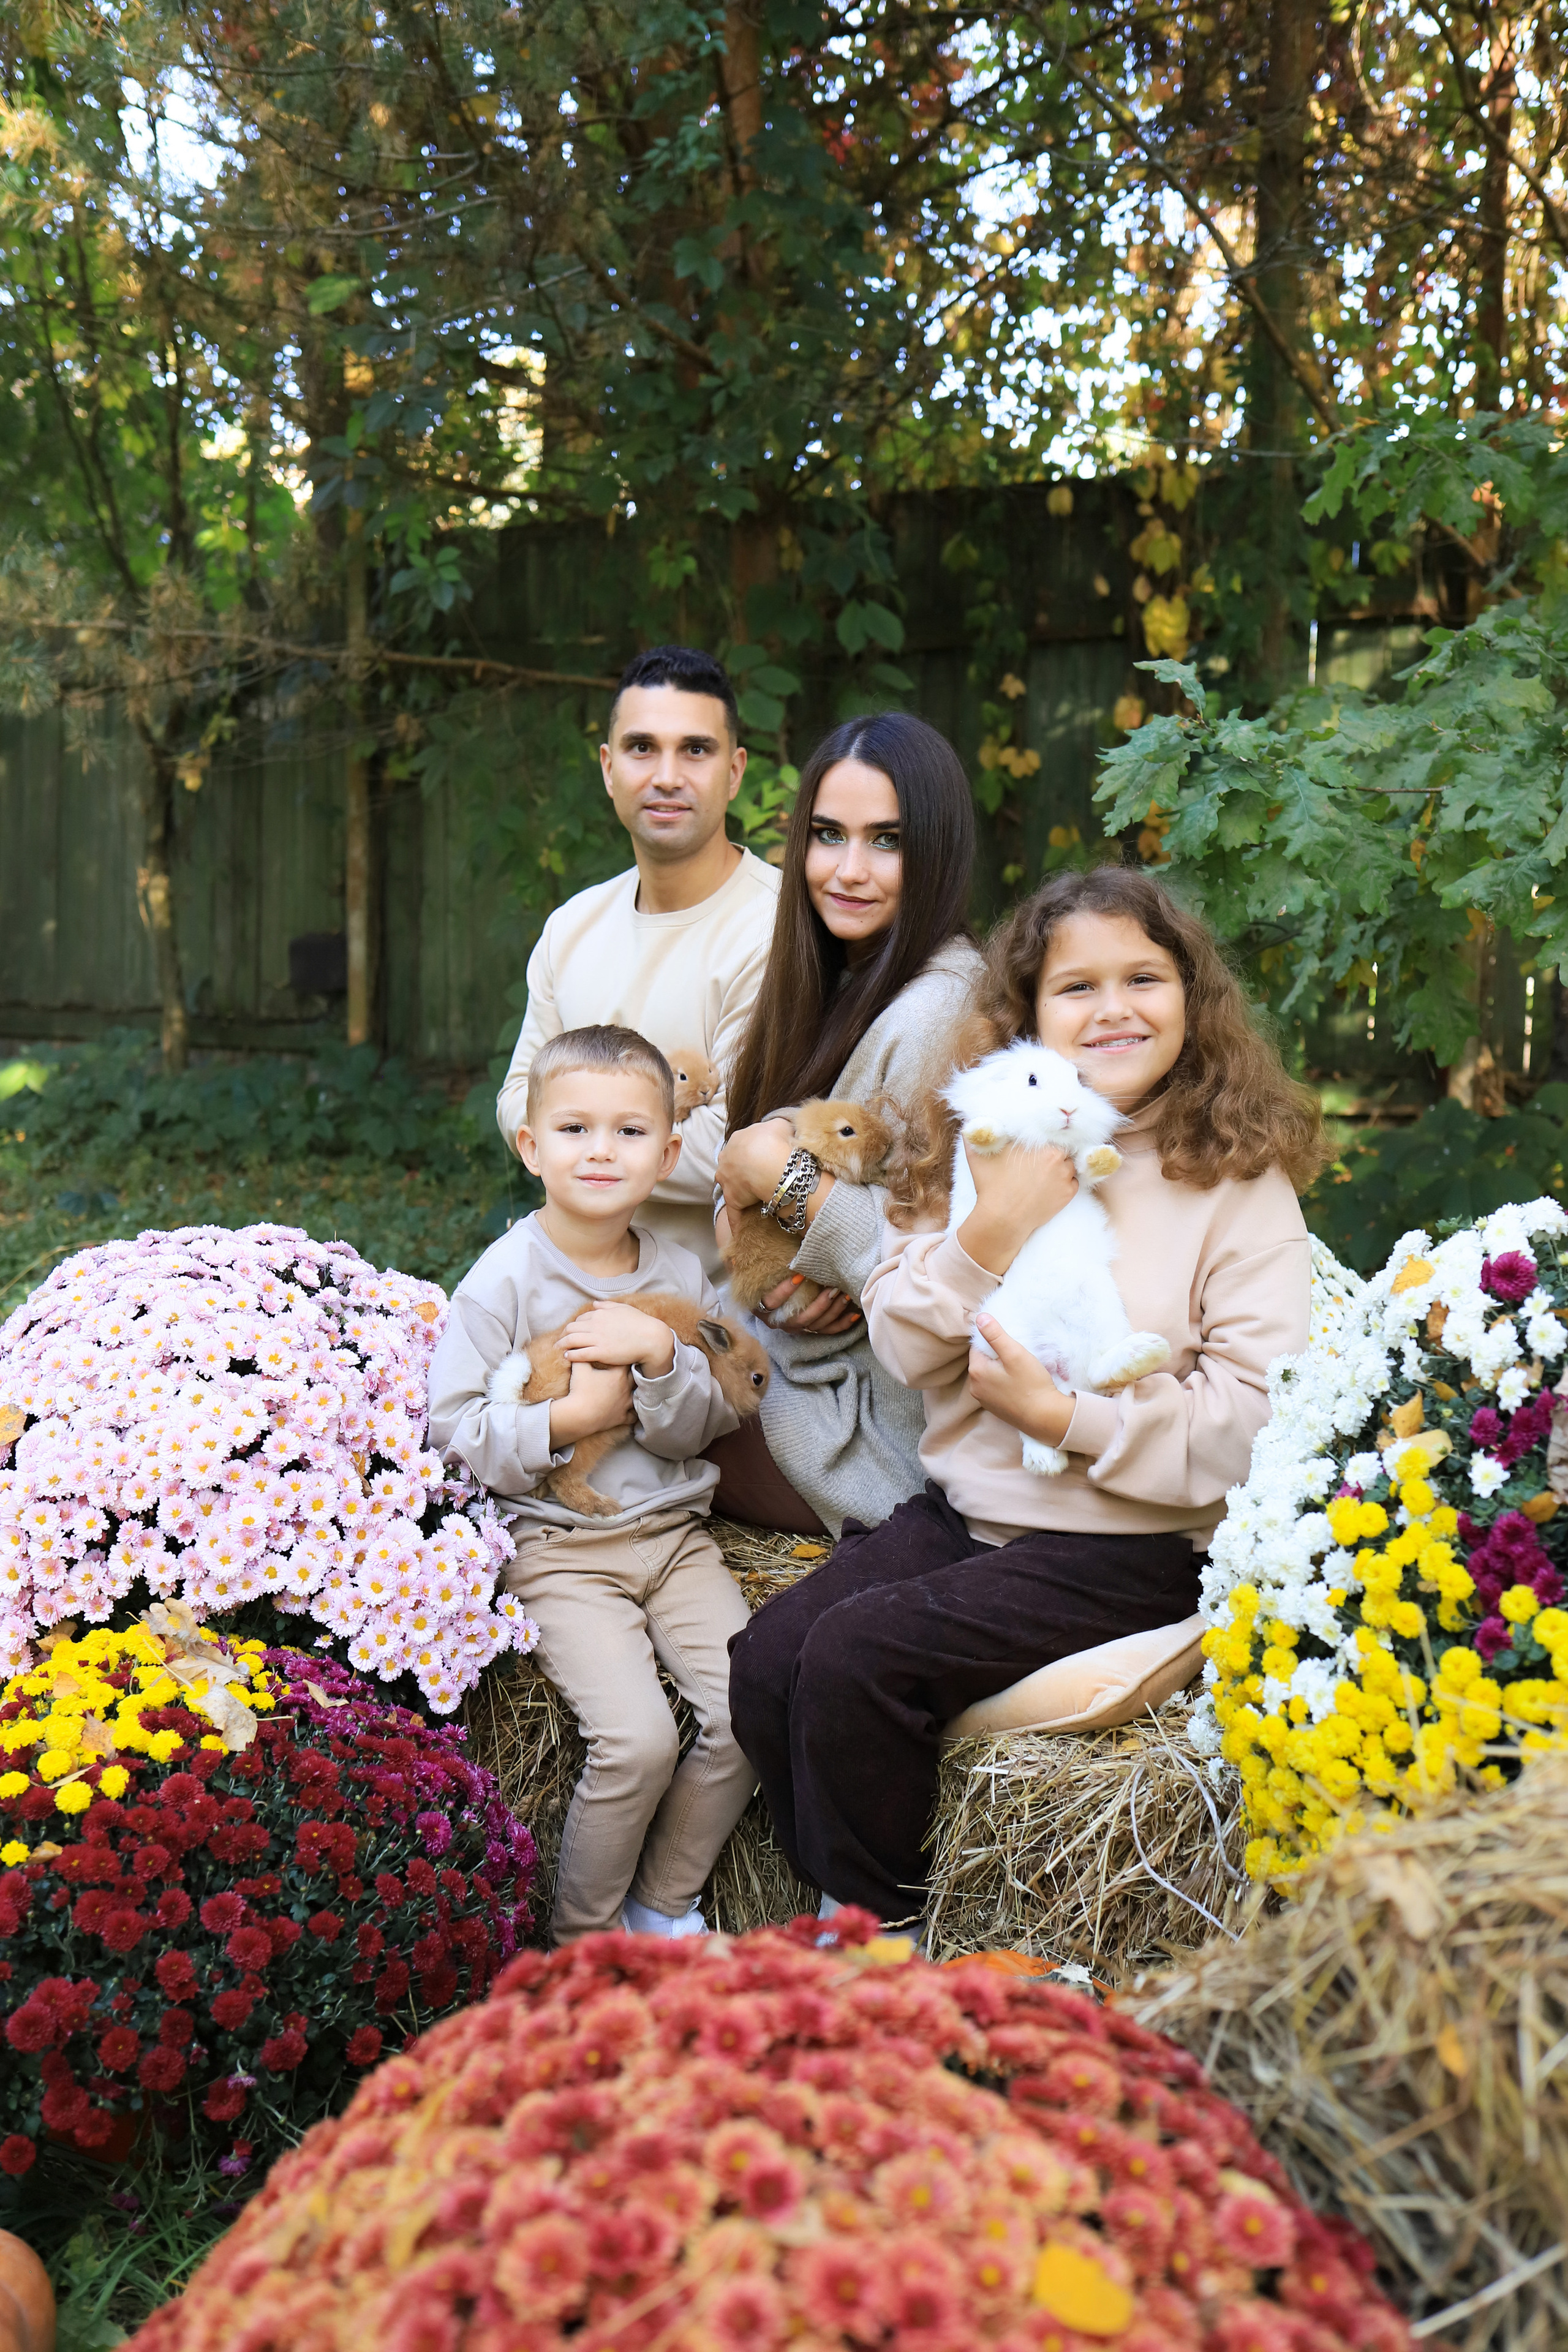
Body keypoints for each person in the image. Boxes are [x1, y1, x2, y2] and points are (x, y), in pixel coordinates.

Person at [728, 866, 1322, 1928]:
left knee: (858, 1663)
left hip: (1131, 1546)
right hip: (972, 1518)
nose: (1112, 1009)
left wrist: (1067, 1421)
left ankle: (882, 1944)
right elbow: (909, 1348)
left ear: (1190, 997)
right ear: (1028, 1016)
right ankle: (836, 1908)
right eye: (1076, 987)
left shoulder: (1236, 1178)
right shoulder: (982, 1146)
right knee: (770, 1658)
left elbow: (1253, 1426)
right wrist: (989, 1231)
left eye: (1143, 977)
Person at [432, 1024, 755, 1945]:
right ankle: (581, 1939)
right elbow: (452, 1431)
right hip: (560, 1550)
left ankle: (663, 1906)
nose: (602, 1151)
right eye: (575, 1130)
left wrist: (659, 1357)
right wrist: (565, 1424)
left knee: (750, 1708)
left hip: (675, 1539)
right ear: (531, 1147)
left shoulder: (681, 1274)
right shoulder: (504, 1281)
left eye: (628, 1132)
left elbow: (706, 1425)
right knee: (639, 1741)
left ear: (669, 1153)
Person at [712, 712, 981, 1538]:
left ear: (935, 851)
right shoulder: (830, 976)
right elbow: (745, 1175)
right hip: (788, 1356)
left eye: (887, 841)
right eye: (829, 835)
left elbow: (920, 1260)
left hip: (861, 1421)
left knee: (602, 1422)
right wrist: (738, 1223)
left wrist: (777, 1182)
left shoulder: (941, 1008)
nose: (849, 870)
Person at [496, 645, 779, 1279]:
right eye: (642, 748)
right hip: (562, 1288)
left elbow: (739, 1151)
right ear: (608, 767)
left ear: (734, 772)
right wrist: (629, 1132)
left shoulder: (778, 927)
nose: (667, 775)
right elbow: (516, 1098)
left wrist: (572, 1131)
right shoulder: (572, 927)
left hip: (711, 1322)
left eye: (696, 751)